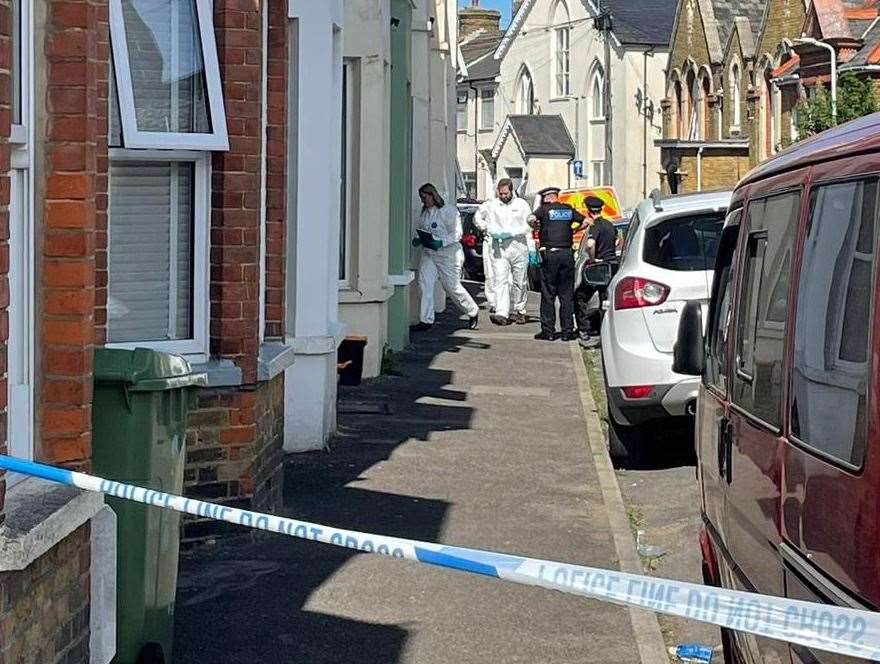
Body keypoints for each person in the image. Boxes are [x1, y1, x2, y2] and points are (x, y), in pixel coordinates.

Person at [411, 183, 480, 332]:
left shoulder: (449, 211)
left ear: (432, 195)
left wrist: (441, 242)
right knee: (424, 283)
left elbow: (457, 234)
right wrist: (418, 239)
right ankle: (426, 320)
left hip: (449, 256)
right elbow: (422, 231)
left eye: (425, 197)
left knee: (452, 287)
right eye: (421, 198)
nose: (423, 201)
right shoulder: (425, 213)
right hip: (430, 254)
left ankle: (472, 310)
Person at [474, 179, 533, 325]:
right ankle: (501, 312)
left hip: (518, 246)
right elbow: (477, 218)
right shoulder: (492, 205)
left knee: (520, 281)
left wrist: (511, 233)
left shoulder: (521, 205)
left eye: (505, 193)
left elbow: (529, 226)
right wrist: (486, 228)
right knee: (500, 279)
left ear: (511, 191)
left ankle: (519, 310)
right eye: (500, 193)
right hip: (498, 247)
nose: (503, 196)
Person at [529, 187, 585, 341]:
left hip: (550, 255)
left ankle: (548, 331)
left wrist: (535, 226)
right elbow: (586, 221)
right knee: (566, 295)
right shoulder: (568, 209)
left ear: (548, 198)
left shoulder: (545, 209)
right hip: (567, 254)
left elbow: (530, 218)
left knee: (548, 294)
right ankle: (567, 331)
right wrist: (573, 231)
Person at [575, 195, 618, 347]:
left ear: (588, 211)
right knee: (605, 299)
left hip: (599, 267)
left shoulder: (595, 225)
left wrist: (593, 259)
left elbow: (590, 244)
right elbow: (618, 240)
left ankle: (584, 330)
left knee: (580, 296)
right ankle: (605, 330)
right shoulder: (610, 224)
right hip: (612, 265)